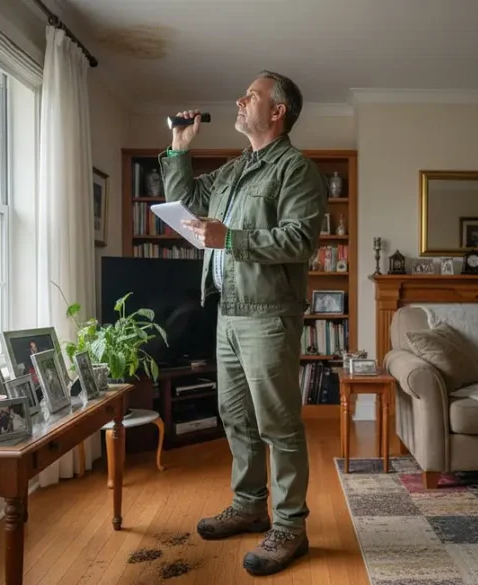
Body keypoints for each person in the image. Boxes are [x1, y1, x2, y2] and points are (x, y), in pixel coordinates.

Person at [161, 70, 326, 576]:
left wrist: (229, 239)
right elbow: (188, 200)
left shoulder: (295, 169)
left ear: (277, 111)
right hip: (227, 311)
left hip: (269, 315)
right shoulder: (236, 172)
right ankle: (250, 505)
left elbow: (300, 240)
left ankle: (291, 528)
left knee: (278, 425)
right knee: (235, 417)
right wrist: (179, 148)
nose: (239, 99)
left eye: (250, 95)